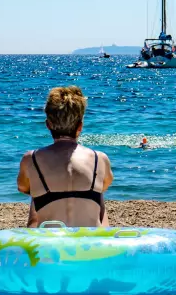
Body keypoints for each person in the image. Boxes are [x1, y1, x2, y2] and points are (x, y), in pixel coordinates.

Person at [17, 86, 113, 227]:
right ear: (80, 126)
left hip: (50, 243)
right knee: (98, 194)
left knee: (37, 193)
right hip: (92, 243)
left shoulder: (31, 158)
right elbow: (105, 185)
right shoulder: (100, 159)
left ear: (48, 125)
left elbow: (23, 188)